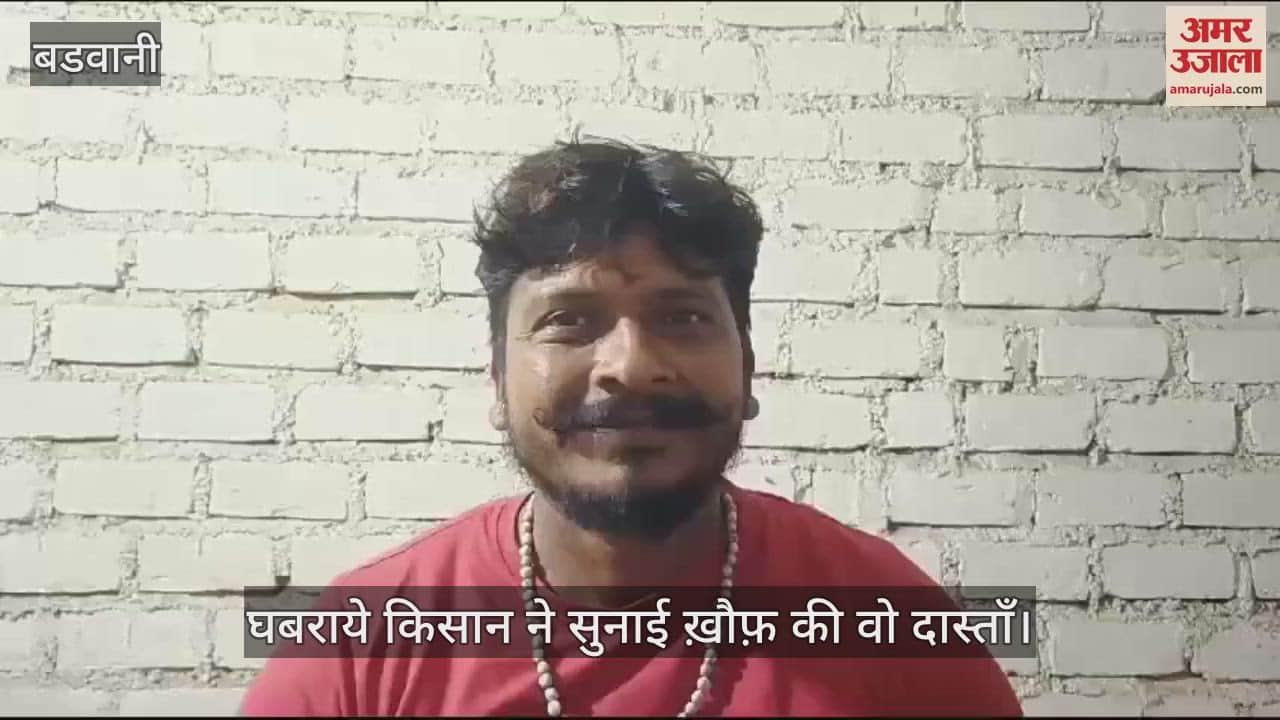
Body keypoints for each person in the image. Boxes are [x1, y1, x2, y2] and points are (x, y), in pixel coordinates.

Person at [239, 138, 1024, 717]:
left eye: (682, 316)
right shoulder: (361, 646)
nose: (630, 365)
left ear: (748, 367)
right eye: (570, 320)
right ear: (496, 376)